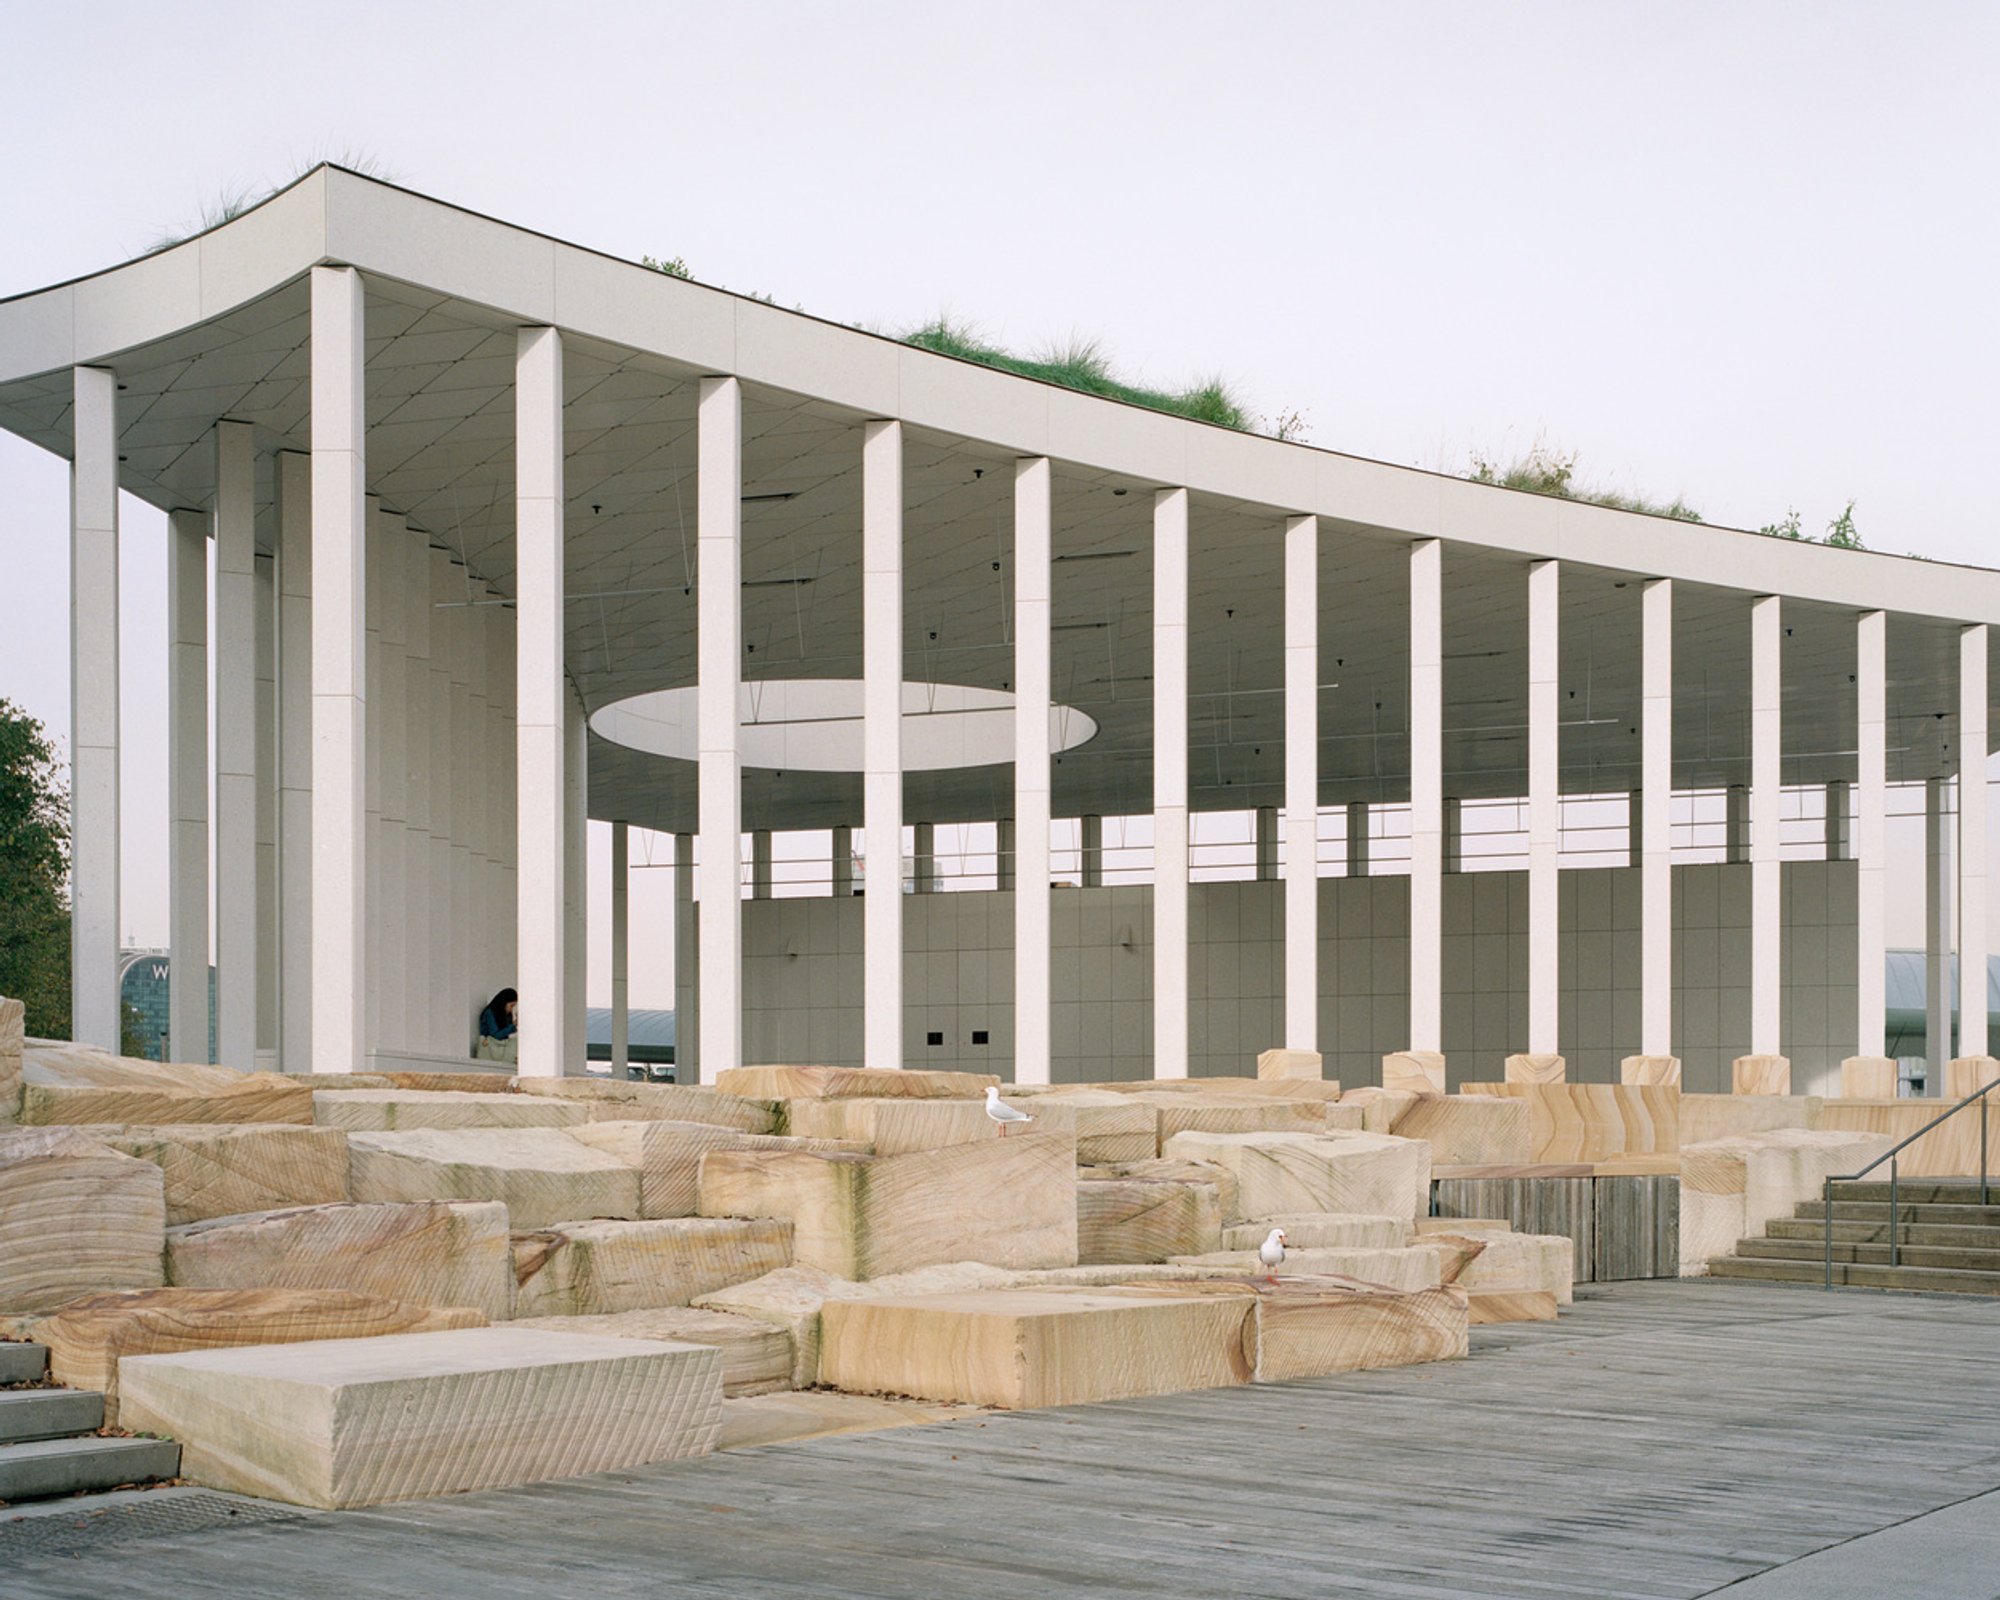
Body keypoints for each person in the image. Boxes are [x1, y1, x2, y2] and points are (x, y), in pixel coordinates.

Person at [476, 988, 519, 1065]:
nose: (511, 1009)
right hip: (491, 1048)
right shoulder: (490, 1013)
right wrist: (513, 1026)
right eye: (511, 1006)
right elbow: (495, 1035)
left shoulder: (505, 1014)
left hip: (498, 1050)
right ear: (504, 1002)